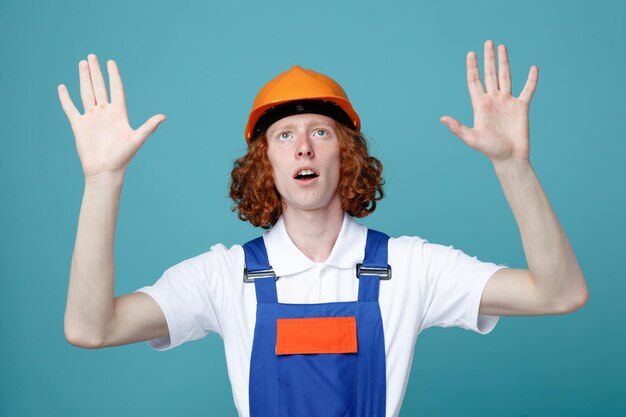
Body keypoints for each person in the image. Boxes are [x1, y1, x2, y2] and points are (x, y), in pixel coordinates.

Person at [58, 40, 589, 417]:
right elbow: (91, 328)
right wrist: (102, 180)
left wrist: (513, 166)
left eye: (320, 131)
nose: (303, 146)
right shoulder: (223, 276)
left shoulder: (410, 266)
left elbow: (559, 293)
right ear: (264, 163)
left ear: (347, 155)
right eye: (284, 135)